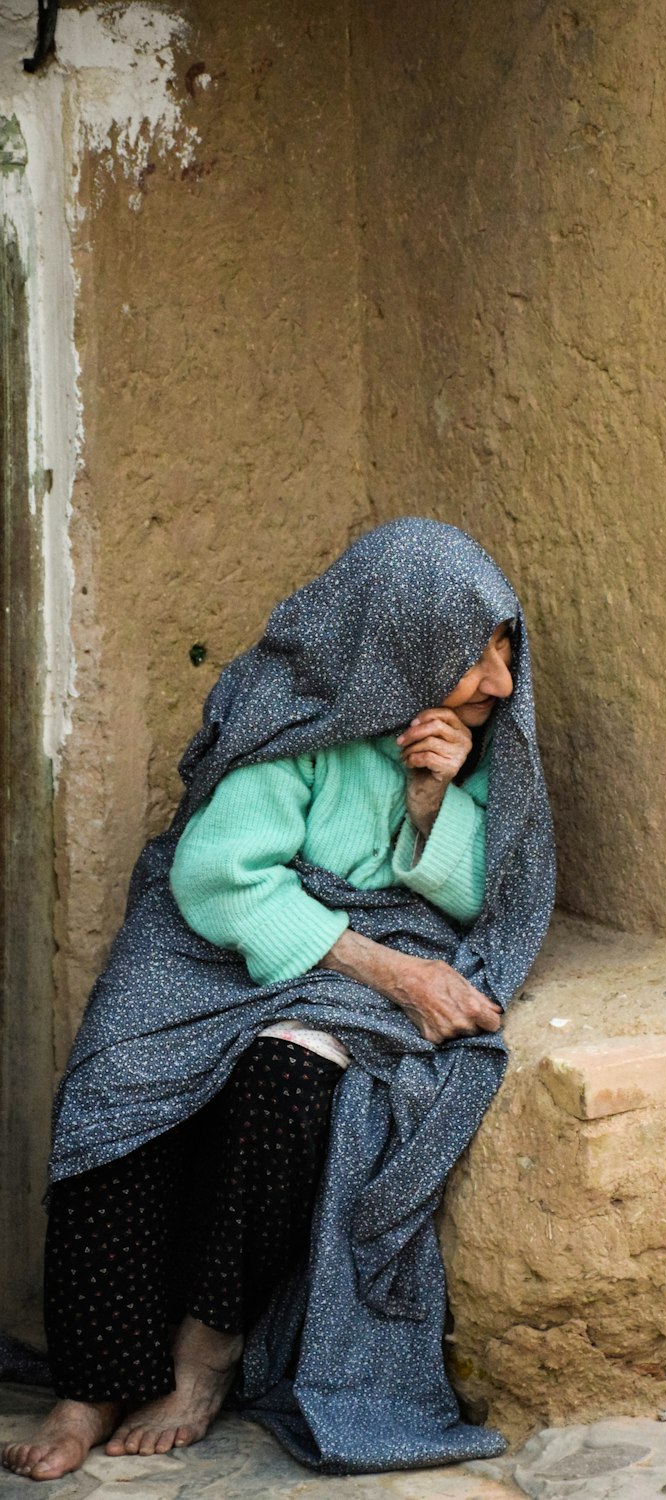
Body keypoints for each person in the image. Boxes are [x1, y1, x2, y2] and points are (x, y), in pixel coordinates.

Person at [2, 517, 555, 1481]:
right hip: (224, 937)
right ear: (400, 638)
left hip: (365, 942)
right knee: (116, 1085)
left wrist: (431, 803)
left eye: (505, 650)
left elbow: (488, 896)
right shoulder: (289, 707)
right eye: (476, 657)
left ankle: (205, 1357)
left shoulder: (477, 735)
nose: (501, 683)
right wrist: (390, 973)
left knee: (285, 1086)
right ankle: (91, 1383)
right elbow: (219, 880)